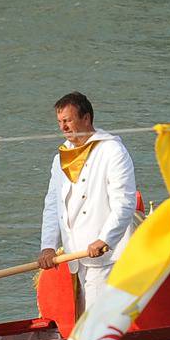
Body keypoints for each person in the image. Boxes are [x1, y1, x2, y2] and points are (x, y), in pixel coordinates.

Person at [38, 92, 137, 313]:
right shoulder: (60, 159)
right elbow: (54, 206)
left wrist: (105, 239)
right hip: (77, 255)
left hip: (107, 255)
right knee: (85, 317)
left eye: (68, 120)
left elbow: (124, 203)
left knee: (95, 321)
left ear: (86, 118)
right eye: (60, 122)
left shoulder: (112, 151)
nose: (63, 127)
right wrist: (48, 246)